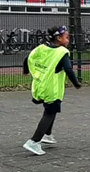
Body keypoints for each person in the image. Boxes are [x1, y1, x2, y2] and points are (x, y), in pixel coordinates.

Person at [22, 26, 82, 156]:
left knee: (50, 110)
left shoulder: (42, 48)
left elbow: (28, 58)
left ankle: (47, 135)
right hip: (52, 89)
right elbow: (68, 69)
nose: (68, 40)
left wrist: (26, 71)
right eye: (66, 37)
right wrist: (76, 83)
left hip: (40, 85)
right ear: (59, 38)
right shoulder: (62, 52)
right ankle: (34, 141)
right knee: (50, 113)